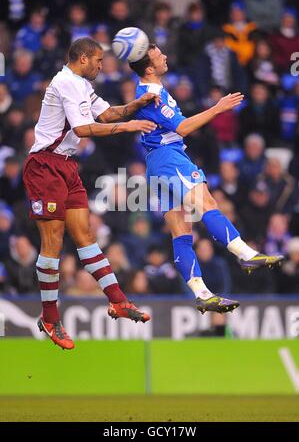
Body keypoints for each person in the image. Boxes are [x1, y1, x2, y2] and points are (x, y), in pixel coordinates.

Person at [22, 37, 160, 350]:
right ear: (83, 58)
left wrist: (135, 107)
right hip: (45, 166)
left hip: (67, 166)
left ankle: (118, 301)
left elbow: (106, 114)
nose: (101, 65)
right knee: (53, 243)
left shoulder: (81, 85)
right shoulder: (67, 82)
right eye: (98, 60)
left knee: (86, 237)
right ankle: (50, 317)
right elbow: (84, 129)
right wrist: (130, 127)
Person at [130, 44, 284, 314]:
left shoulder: (146, 92)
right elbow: (183, 127)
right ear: (150, 68)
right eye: (159, 55)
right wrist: (217, 108)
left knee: (181, 231)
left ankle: (201, 292)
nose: (165, 56)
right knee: (208, 204)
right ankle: (245, 254)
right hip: (169, 158)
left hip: (156, 163)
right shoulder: (153, 94)